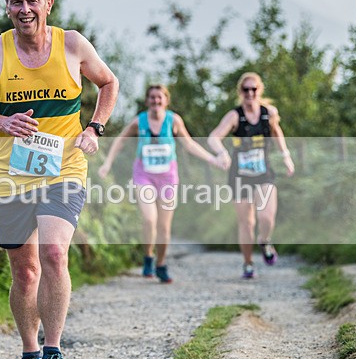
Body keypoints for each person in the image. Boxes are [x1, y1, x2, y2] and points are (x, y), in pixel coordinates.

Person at [0, 0, 118, 359]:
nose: (25, 9)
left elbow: (108, 83)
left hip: (64, 167)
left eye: (33, 1)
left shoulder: (71, 44)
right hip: (11, 173)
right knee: (25, 271)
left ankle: (54, 350)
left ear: (48, 4)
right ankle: (30, 355)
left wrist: (94, 128)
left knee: (52, 252)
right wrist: (3, 121)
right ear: (8, 7)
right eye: (16, 2)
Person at [98, 85, 224, 283]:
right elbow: (120, 140)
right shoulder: (139, 122)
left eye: (160, 98)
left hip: (167, 178)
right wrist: (107, 163)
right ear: (148, 101)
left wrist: (212, 159)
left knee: (164, 227)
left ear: (166, 100)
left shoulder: (173, 120)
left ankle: (161, 264)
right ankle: (148, 255)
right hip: (144, 175)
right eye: (152, 98)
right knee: (149, 219)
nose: (156, 101)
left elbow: (189, 144)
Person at [207, 72, 295, 279]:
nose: (250, 93)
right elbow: (213, 138)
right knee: (247, 223)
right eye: (246, 89)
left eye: (254, 89)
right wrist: (221, 152)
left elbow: (277, 133)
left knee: (266, 217)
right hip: (240, 175)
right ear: (240, 92)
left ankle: (265, 241)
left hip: (264, 173)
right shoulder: (234, 116)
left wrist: (286, 156)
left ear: (260, 90)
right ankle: (247, 263)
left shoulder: (269, 113)